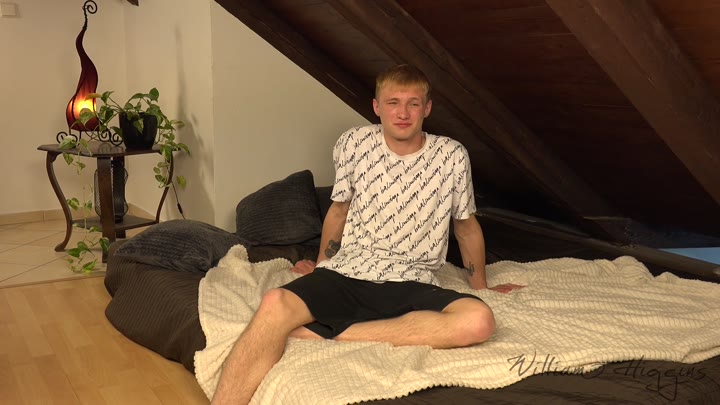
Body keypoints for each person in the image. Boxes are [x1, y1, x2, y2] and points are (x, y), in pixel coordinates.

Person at [212, 64, 522, 404]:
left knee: (478, 321)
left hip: (412, 279)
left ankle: (332, 333)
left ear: (427, 108)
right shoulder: (354, 143)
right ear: (376, 106)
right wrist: (322, 265)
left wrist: (482, 287)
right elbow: (339, 211)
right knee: (274, 302)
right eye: (393, 102)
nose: (402, 113)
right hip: (349, 271)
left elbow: (466, 227)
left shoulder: (451, 155)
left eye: (413, 103)